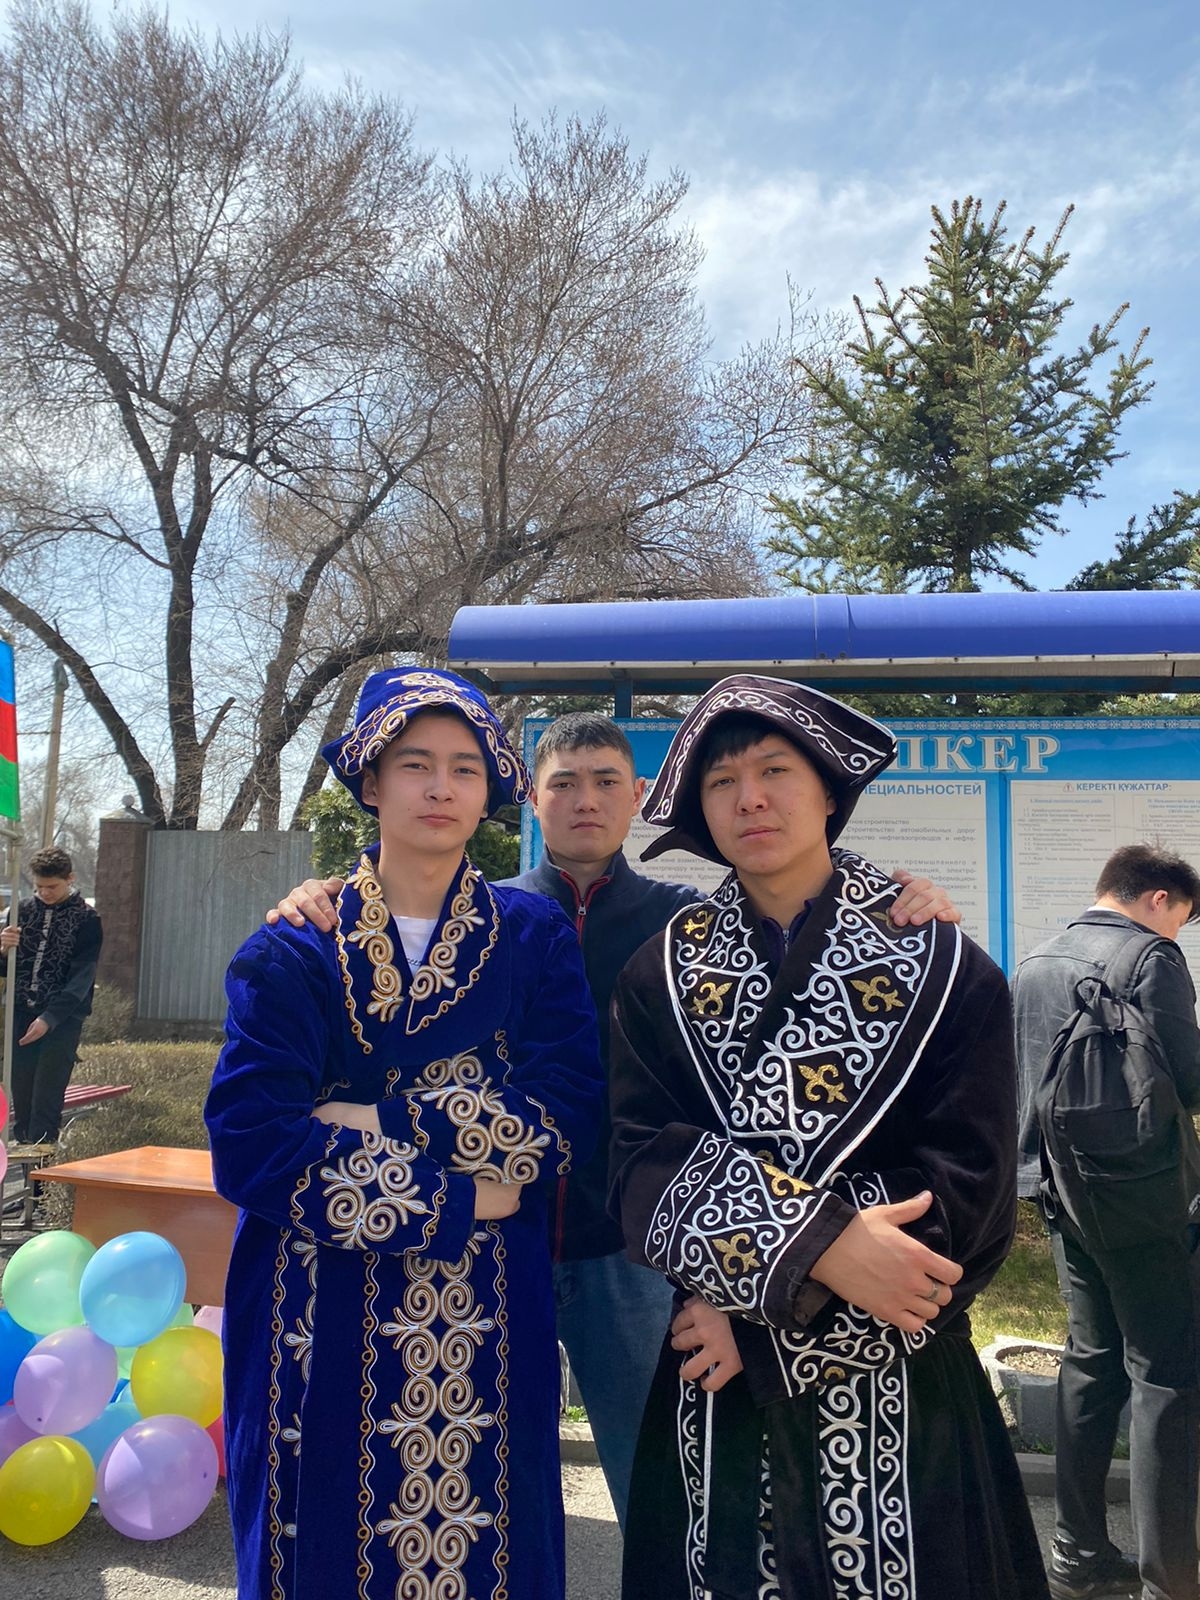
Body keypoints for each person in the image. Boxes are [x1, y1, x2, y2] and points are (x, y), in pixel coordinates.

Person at [271, 707, 962, 1530]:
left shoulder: (685, 924)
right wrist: (321, 893)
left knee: (659, 1482)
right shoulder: (489, 920)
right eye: (564, 784)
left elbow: (796, 917)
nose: (586, 801)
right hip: (494, 1238)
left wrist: (895, 899)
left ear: (637, 796)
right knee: (482, 1480)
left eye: (606, 783)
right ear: (532, 797)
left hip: (631, 1255)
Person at [608, 674, 1048, 1600]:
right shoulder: (662, 972)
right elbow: (640, 1160)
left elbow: (972, 1192)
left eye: (775, 770)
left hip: (900, 1382)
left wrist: (768, 1326)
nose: (750, 798)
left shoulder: (942, 961)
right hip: (714, 1387)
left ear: (827, 790)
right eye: (722, 782)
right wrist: (818, 1248)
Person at [205, 668, 603, 1600]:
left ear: (489, 791)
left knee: (490, 1550)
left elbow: (565, 1116)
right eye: (415, 764)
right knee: (320, 1550)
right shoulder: (294, 947)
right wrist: (460, 1198)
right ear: (370, 782)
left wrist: (380, 1117)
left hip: (485, 1314)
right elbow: (253, 1143)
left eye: (464, 768)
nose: (440, 787)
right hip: (316, 1305)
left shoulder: (533, 936)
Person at [1013, 845, 1200, 1600]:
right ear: (1158, 899)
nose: (1180, 932)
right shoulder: (1151, 958)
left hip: (1060, 1194)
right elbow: (1188, 1078)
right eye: (1184, 917)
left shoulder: (1035, 960)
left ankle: (1078, 1553)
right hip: (1138, 1197)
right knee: (1167, 1376)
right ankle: (1170, 1581)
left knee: (1091, 1362)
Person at [0, 845, 102, 1145]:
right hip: (21, 1012)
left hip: (62, 1019)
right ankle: (26, 1161)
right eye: (39, 886)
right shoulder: (20, 911)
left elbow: (81, 979)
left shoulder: (87, 919)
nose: (44, 893)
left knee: (46, 1100)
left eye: (52, 887)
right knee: (22, 1098)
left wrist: (49, 1018)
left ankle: (42, 1171)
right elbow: (6, 969)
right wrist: (3, 949)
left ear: (69, 878)